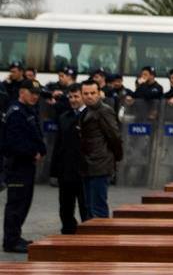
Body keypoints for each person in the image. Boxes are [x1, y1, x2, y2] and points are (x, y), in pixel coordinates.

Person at [1, 79, 46, 253]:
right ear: (22, 92)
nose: (35, 96)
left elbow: (35, 135)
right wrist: (32, 152)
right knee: (16, 204)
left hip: (26, 166)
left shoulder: (28, 110)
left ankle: (15, 236)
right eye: (31, 92)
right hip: (17, 166)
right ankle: (11, 241)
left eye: (37, 94)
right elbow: (11, 144)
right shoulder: (16, 112)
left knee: (24, 202)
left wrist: (41, 150)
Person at [78, 80, 122, 220]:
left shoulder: (104, 110)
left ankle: (102, 238)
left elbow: (114, 137)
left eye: (92, 93)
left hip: (100, 164)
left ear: (99, 94)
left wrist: (116, 157)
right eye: (86, 93)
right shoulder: (86, 111)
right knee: (89, 207)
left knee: (98, 207)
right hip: (87, 164)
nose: (89, 96)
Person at [49, 83, 88, 234]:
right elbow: (58, 145)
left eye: (76, 96)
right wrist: (54, 171)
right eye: (70, 97)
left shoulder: (91, 115)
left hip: (85, 170)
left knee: (86, 206)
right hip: (66, 170)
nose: (73, 100)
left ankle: (89, 235)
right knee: (65, 206)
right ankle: (68, 231)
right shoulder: (64, 117)